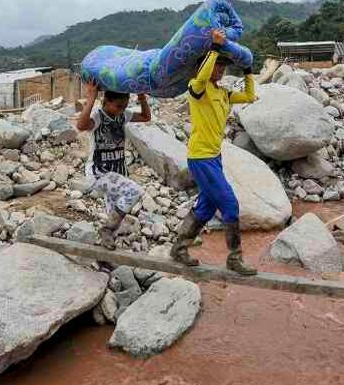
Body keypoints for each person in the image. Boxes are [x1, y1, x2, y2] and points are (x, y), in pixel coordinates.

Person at [171, 28, 258, 275]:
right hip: (200, 157)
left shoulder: (224, 93)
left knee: (206, 208)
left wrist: (248, 71)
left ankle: (179, 248)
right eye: (217, 66)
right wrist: (215, 48)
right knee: (230, 203)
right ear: (206, 67)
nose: (221, 70)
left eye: (223, 67)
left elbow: (251, 96)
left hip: (214, 158)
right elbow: (202, 78)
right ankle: (234, 258)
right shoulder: (196, 88)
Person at [76, 81, 151, 249]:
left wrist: (141, 99)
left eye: (124, 106)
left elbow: (146, 117)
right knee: (135, 192)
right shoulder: (98, 116)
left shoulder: (123, 115)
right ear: (106, 102)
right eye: (118, 106)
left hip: (118, 173)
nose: (121, 110)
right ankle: (106, 231)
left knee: (114, 214)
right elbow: (81, 125)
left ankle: (106, 254)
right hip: (99, 173)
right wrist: (91, 97)